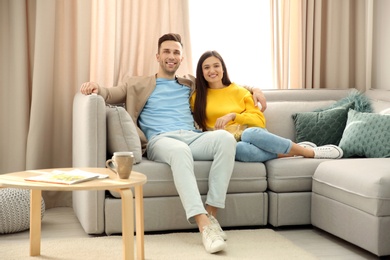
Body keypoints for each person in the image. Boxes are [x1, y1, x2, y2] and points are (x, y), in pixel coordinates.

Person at [80, 34, 266, 254]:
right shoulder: (136, 83)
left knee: (225, 139)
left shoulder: (190, 83)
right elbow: (111, 93)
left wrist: (255, 89)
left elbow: (225, 84)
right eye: (167, 52)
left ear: (181, 58)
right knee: (180, 151)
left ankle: (212, 216)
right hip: (162, 139)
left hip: (192, 135)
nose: (171, 56)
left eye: (176, 52)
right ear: (158, 56)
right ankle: (203, 225)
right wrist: (95, 87)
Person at [191, 50, 344, 161]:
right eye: (206, 67)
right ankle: (295, 150)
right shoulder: (197, 97)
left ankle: (310, 153)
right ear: (201, 72)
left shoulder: (240, 91)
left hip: (251, 133)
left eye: (216, 66)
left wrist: (233, 115)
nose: (212, 70)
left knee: (249, 134)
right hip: (228, 142)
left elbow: (259, 121)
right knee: (240, 150)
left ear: (223, 69)